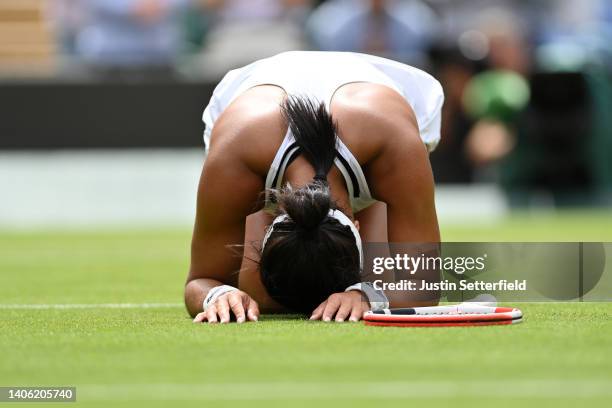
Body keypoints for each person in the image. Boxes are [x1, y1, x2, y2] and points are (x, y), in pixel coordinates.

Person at [185, 51, 443, 324]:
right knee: (258, 296)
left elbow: (425, 285)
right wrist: (219, 294)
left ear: (357, 226)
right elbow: (200, 280)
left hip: (381, 96)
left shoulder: (395, 145)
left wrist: (366, 295)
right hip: (255, 101)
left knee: (376, 285)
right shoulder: (234, 154)